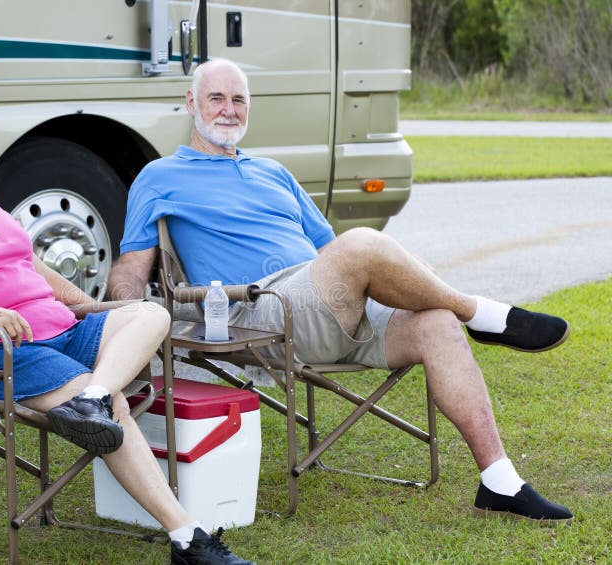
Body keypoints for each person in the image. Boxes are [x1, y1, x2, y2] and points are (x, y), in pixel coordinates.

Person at [109, 59, 574, 524]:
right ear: (191, 103)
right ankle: (485, 314)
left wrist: (375, 278)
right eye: (216, 98)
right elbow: (132, 267)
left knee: (436, 322)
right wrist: (122, 315)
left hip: (324, 297)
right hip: (262, 309)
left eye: (238, 100)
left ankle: (499, 481)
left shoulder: (273, 172)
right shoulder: (160, 176)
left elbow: (330, 251)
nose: (228, 110)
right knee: (363, 243)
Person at [0, 93, 255, 565]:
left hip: (63, 330)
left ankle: (89, 398)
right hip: (0, 348)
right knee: (116, 406)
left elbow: (30, 265)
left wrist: (94, 307)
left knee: (149, 313)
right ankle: (187, 538)